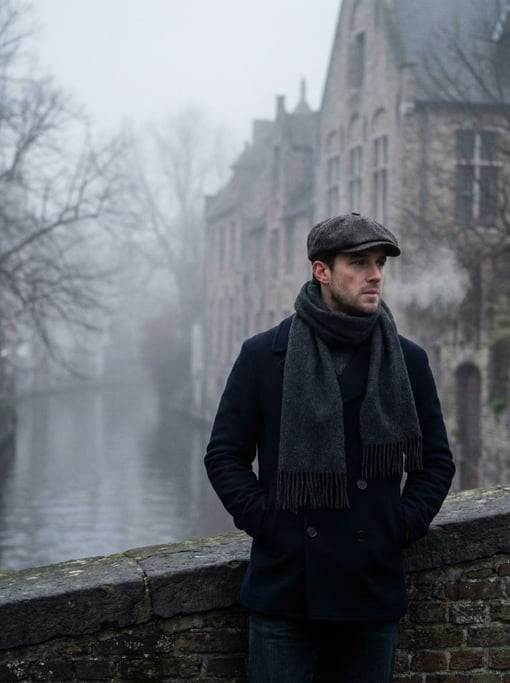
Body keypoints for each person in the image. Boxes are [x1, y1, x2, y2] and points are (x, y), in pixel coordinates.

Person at [205, 213, 455, 682]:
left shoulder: (407, 360)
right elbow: (224, 457)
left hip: (370, 588)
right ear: (321, 271)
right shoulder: (263, 356)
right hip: (287, 588)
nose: (375, 275)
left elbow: (436, 462)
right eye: (359, 263)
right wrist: (270, 524)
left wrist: (398, 526)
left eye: (380, 263)